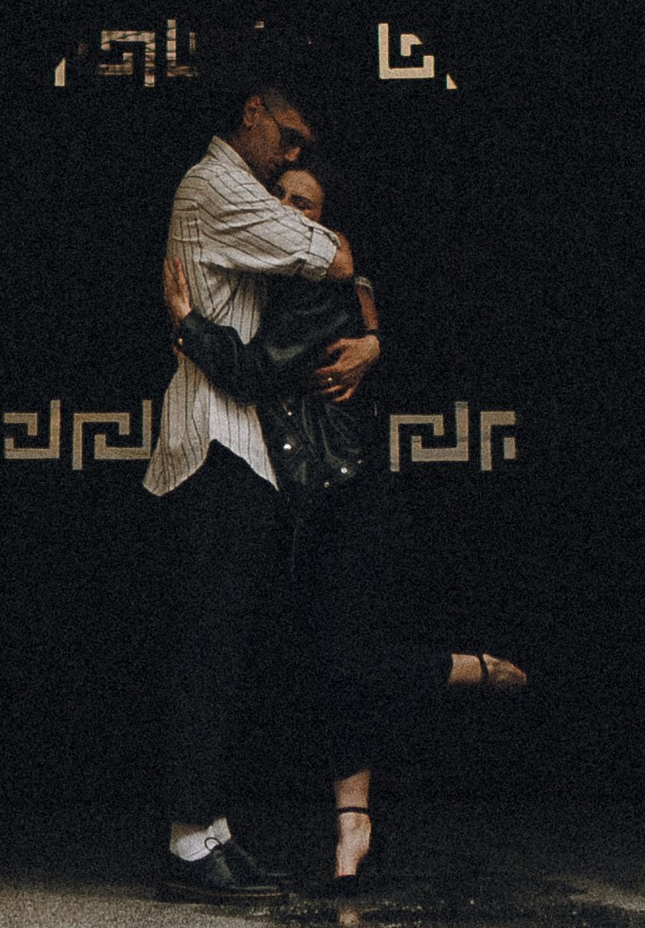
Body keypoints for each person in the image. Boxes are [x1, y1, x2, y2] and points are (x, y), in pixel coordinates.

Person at [167, 161, 527, 895]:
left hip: (344, 500)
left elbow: (252, 370)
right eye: (280, 198)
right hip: (304, 501)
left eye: (306, 207)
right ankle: (352, 824)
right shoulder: (272, 282)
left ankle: (465, 669)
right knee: (325, 663)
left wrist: (185, 324)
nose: (288, 211)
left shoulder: (315, 298)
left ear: (326, 229)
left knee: (342, 663)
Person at [143, 50, 375, 906]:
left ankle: (210, 833)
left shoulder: (236, 192)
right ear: (251, 113)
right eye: (287, 135)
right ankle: (188, 843)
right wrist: (327, 246)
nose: (290, 156)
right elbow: (329, 257)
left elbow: (338, 278)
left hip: (239, 445)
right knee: (208, 650)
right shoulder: (215, 186)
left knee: (224, 649)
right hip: (216, 441)